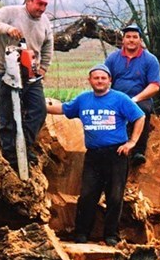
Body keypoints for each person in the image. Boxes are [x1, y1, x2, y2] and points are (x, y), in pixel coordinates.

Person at [47, 64, 145, 246]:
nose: (99, 81)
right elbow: (63, 109)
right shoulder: (83, 99)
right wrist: (38, 105)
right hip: (93, 155)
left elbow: (139, 117)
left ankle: (111, 235)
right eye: (96, 78)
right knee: (87, 196)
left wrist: (132, 142)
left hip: (116, 154)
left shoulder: (120, 99)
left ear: (109, 80)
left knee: (115, 197)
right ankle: (82, 234)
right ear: (90, 80)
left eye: (103, 78)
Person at [0, 0, 54, 170]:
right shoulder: (11, 12)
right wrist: (6, 28)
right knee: (9, 115)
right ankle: (11, 154)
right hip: (6, 71)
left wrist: (43, 67)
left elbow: (48, 45)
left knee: (38, 110)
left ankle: (24, 144)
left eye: (45, 5)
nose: (42, 8)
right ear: (28, 1)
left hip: (31, 74)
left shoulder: (44, 21)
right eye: (39, 4)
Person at [104, 24, 160, 166]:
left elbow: (154, 86)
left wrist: (134, 99)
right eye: (128, 37)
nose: (131, 40)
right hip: (116, 97)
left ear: (140, 40)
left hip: (140, 98)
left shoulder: (150, 60)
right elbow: (103, 78)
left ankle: (138, 151)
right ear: (122, 40)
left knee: (142, 111)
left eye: (135, 37)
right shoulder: (113, 58)